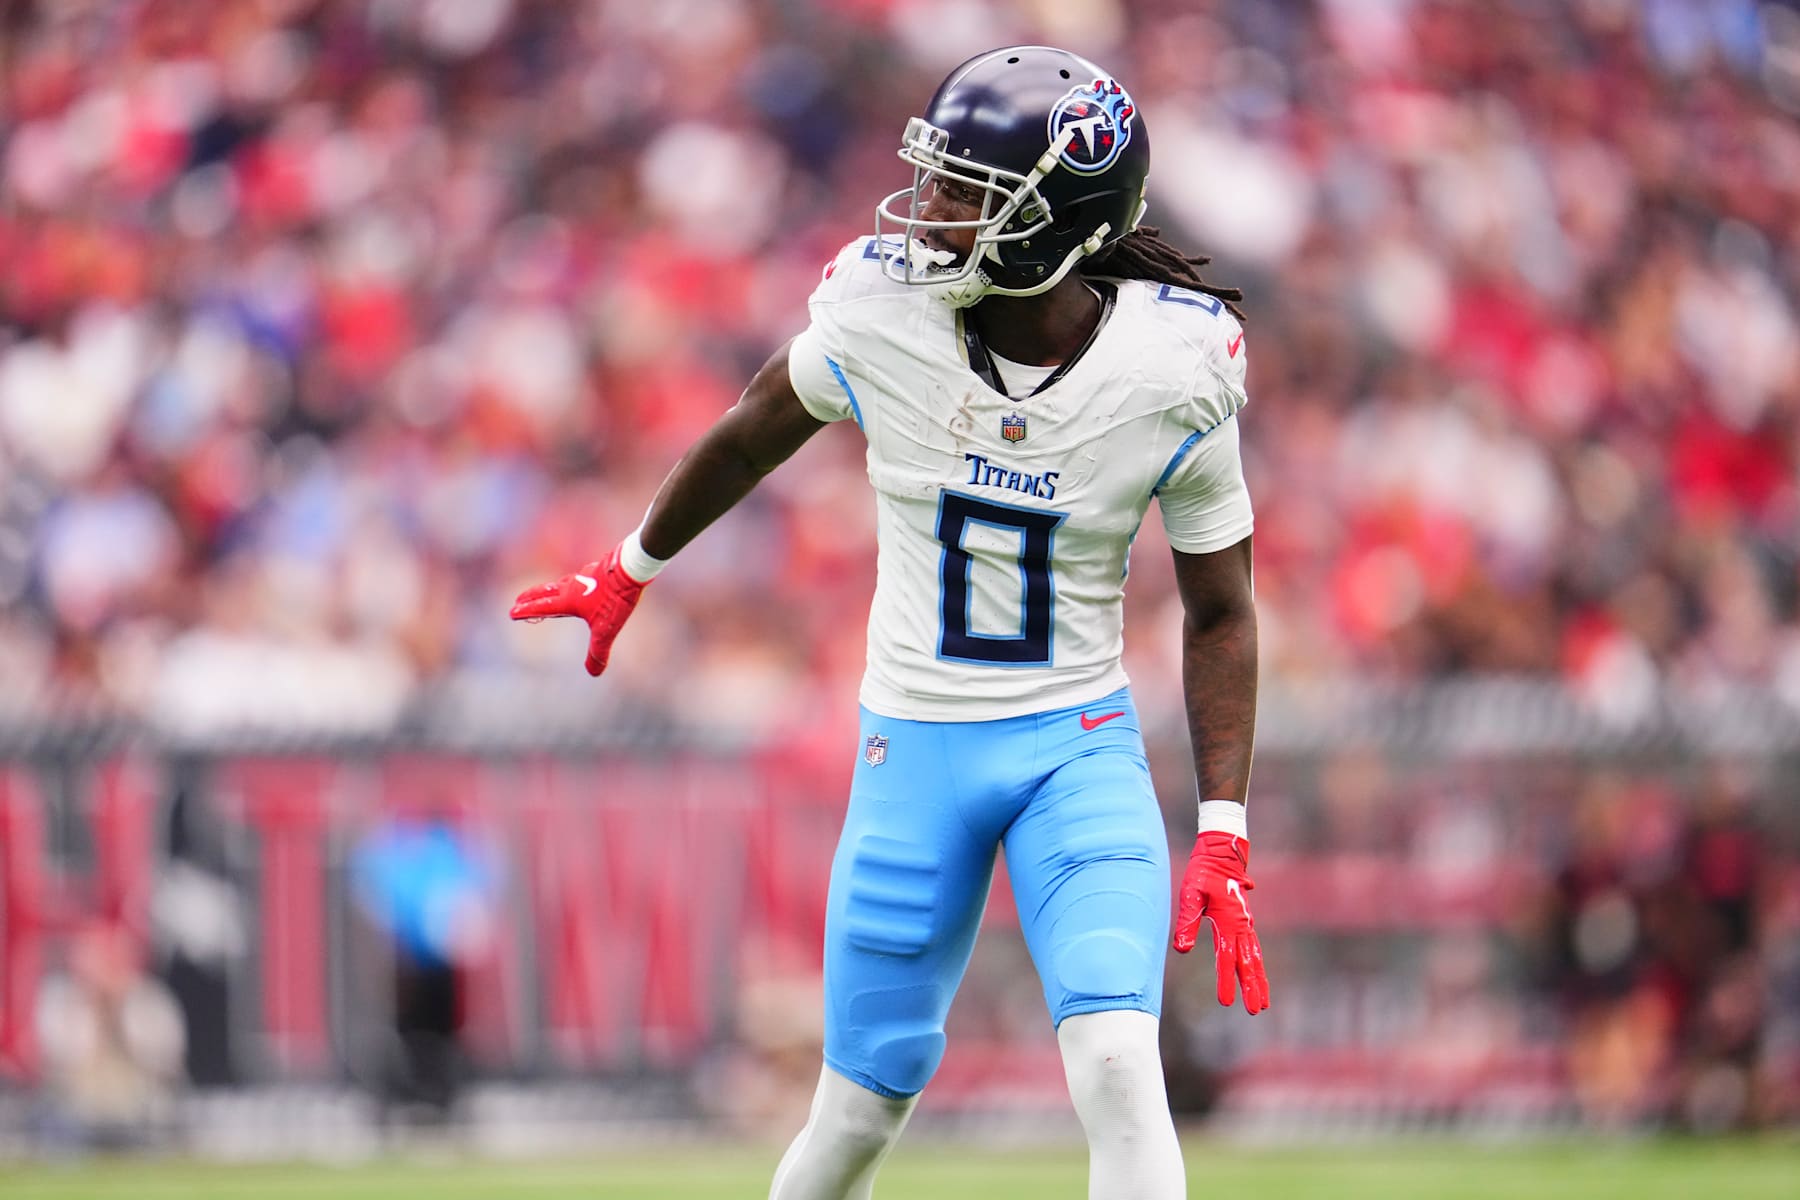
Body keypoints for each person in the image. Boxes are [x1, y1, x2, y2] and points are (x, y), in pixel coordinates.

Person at [512, 45, 1270, 1200]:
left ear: (1059, 219)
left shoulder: (1174, 365)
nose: (934, 216)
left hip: (1077, 748)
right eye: (940, 180)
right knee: (857, 1112)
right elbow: (754, 427)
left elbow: (1220, 611)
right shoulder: (886, 312)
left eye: (972, 195)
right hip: (912, 747)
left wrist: (1223, 822)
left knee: (1119, 1061)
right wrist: (631, 566)